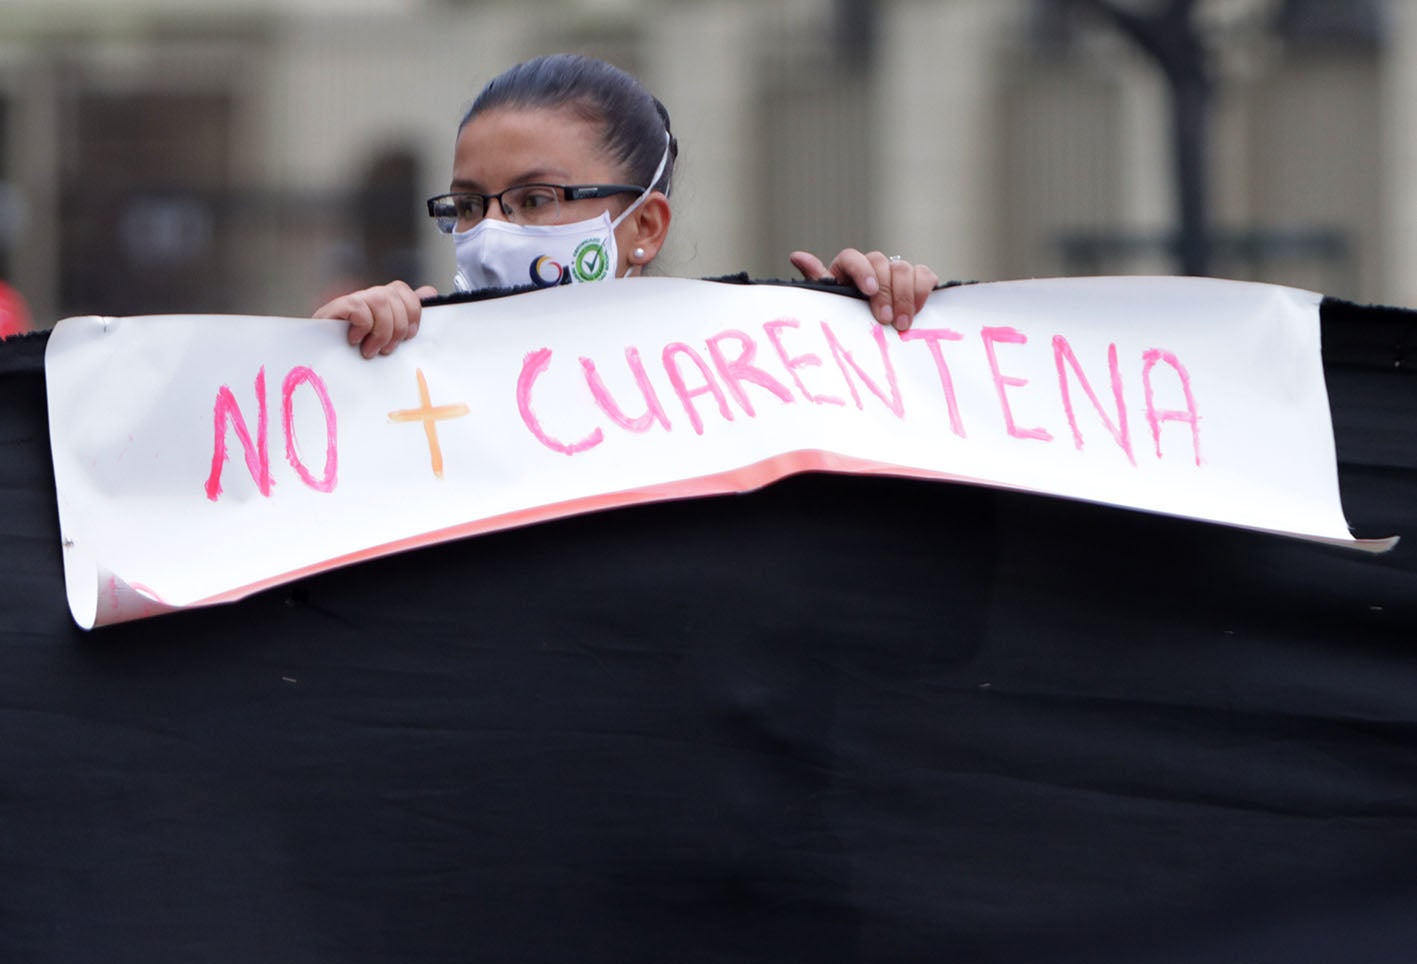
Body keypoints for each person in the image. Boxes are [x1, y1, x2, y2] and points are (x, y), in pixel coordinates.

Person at [315, 54, 941, 358]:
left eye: (535, 199)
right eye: (470, 205)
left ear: (644, 225)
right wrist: (329, 362)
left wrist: (875, 337)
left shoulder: (732, 381)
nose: (493, 233)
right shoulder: (411, 368)